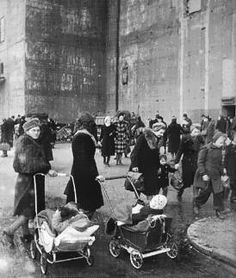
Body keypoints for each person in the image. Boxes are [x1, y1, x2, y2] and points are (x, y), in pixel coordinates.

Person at [3, 118, 56, 246]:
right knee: (28, 209)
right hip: (28, 181)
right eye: (34, 130)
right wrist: (47, 169)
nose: (37, 132)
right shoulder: (26, 142)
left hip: (27, 179)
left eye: (38, 130)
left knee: (25, 208)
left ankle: (26, 234)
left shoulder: (27, 140)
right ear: (27, 131)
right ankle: (9, 231)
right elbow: (31, 163)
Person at [64, 112, 104, 219]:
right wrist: (94, 174)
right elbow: (84, 159)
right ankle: (81, 225)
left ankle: (82, 224)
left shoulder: (80, 136)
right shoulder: (83, 137)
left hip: (80, 172)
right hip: (85, 174)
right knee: (86, 204)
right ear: (89, 124)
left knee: (83, 203)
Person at [193, 132, 227, 219]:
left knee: (218, 193)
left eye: (223, 142)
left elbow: (220, 164)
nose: (222, 144)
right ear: (215, 140)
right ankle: (197, 204)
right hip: (206, 175)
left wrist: (223, 173)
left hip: (216, 175)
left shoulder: (220, 150)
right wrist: (203, 173)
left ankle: (218, 211)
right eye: (220, 142)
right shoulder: (206, 149)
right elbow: (200, 162)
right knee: (206, 192)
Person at [130, 122, 166, 201]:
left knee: (151, 189)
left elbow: (157, 154)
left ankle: (150, 205)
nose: (162, 135)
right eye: (161, 132)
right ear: (155, 130)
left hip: (152, 168)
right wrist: (134, 165)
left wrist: (159, 164)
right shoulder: (143, 137)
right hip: (140, 166)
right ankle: (138, 203)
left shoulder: (158, 140)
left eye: (163, 133)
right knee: (139, 186)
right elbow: (134, 153)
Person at [175, 127, 204, 200]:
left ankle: (195, 197)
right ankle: (180, 191)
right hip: (187, 161)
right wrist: (176, 162)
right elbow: (180, 150)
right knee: (186, 179)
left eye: (198, 131)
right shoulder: (185, 139)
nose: (196, 133)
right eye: (195, 131)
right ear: (191, 132)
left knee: (196, 179)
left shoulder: (200, 139)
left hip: (196, 161)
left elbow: (204, 149)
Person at [224, 130, 236, 203]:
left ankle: (233, 197)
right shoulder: (230, 146)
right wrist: (225, 167)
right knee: (229, 182)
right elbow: (226, 157)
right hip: (230, 167)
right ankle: (224, 198)